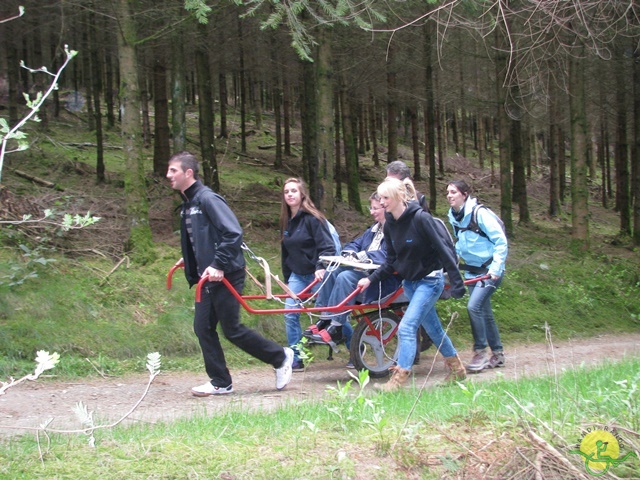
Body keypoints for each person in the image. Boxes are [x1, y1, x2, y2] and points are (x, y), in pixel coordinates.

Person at [167, 152, 294, 396]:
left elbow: (233, 233)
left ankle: (280, 356)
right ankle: (220, 382)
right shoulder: (188, 204)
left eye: (173, 170)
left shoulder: (207, 199)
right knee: (202, 327)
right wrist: (192, 259)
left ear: (188, 173)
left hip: (226, 274)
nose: (168, 175)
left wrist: (218, 263)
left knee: (231, 329)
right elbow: (203, 238)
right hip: (208, 276)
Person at [357, 177, 466, 391]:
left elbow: (444, 251)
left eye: (386, 198)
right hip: (410, 284)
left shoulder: (421, 219)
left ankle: (398, 380)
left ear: (398, 197)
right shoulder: (390, 225)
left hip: (430, 281)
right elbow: (391, 262)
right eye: (380, 198)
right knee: (433, 329)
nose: (382, 202)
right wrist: (370, 279)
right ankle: (458, 370)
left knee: (406, 328)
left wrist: (456, 282)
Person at [304, 193, 402, 361]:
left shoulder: (395, 230)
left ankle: (337, 326)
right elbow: (353, 244)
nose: (371, 212)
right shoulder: (373, 230)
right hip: (366, 275)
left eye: (375, 208)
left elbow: (387, 255)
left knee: (346, 277)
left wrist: (361, 256)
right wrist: (350, 252)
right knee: (330, 273)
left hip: (382, 281)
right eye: (370, 208)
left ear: (386, 207)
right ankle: (325, 319)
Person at [446, 180, 508, 372]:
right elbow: (460, 242)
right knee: (485, 312)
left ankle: (480, 352)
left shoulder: (479, 214)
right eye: (447, 192)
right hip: (472, 271)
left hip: (489, 273)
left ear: (464, 194)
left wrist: (496, 269)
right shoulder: (454, 216)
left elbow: (500, 241)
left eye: (453, 192)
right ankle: (497, 354)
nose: (449, 195)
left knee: (474, 307)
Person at [280, 177, 337, 371]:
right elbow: (285, 253)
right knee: (289, 313)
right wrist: (287, 279)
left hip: (316, 274)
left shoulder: (313, 219)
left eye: (293, 191)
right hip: (297, 275)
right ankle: (297, 358)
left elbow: (328, 247)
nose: (290, 194)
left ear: (302, 194)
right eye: (286, 192)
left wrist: (320, 266)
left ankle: (355, 345)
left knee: (331, 312)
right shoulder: (287, 222)